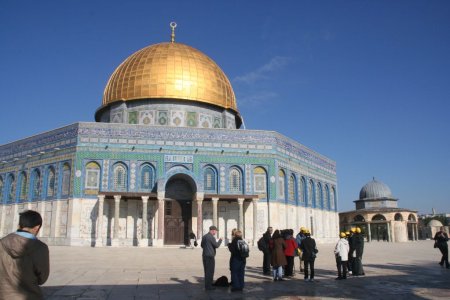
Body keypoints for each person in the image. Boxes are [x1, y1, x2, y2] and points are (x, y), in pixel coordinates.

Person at [0, 210, 50, 300]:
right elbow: (42, 278)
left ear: (19, 225)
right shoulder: (40, 248)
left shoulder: (2, 243)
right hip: (30, 296)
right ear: (37, 227)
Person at [201, 225, 223, 290]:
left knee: (206, 271)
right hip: (210, 256)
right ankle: (209, 286)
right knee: (210, 272)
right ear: (212, 230)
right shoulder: (211, 237)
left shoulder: (204, 236)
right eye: (215, 231)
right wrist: (220, 240)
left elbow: (202, 245)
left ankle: (207, 285)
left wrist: (207, 248)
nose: (216, 232)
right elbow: (217, 245)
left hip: (205, 255)